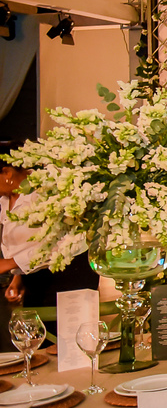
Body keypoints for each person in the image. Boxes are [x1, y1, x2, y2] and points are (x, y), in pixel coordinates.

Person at [0, 141, 98, 343]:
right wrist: (17, 277)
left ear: (7, 172)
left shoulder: (48, 188)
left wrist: (10, 264)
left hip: (68, 276)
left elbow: (65, 240)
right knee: (37, 344)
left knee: (70, 347)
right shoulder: (5, 198)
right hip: (36, 279)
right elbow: (26, 242)